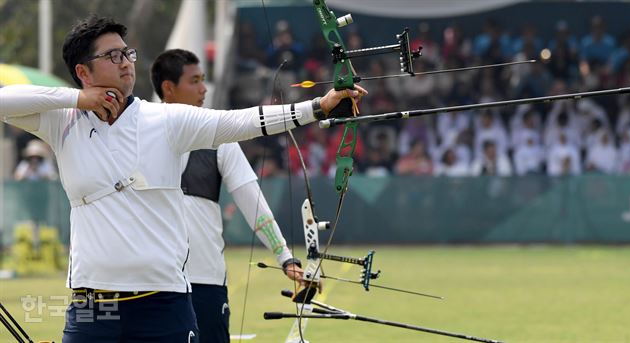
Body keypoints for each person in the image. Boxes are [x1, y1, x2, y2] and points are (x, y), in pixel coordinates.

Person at [0, 15, 365, 343]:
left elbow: (240, 122)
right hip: (92, 306)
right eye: (112, 56)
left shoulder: (165, 120)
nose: (126, 63)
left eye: (127, 53)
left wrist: (317, 107)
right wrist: (78, 99)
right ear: (83, 72)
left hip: (162, 302)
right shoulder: (62, 122)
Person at [150, 48, 298, 343]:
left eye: (204, 79)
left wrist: (285, 257)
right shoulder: (139, 134)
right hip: (154, 282)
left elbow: (251, 200)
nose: (204, 89)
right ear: (169, 88)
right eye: (194, 81)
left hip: (206, 282)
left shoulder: (220, 140)